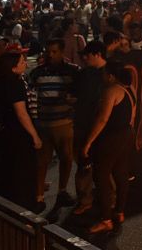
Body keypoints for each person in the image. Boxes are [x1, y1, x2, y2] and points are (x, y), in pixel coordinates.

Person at [82, 61, 136, 234]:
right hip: (126, 134)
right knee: (121, 174)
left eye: (104, 74)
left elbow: (103, 119)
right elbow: (133, 115)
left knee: (101, 176)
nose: (102, 77)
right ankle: (119, 211)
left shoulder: (111, 91)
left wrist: (89, 141)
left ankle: (106, 219)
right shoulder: (130, 90)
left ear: (111, 76)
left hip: (111, 138)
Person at [30, 38, 80, 211]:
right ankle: (39, 196)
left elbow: (80, 95)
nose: (51, 55)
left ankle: (62, 190)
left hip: (64, 123)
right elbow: (31, 95)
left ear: (62, 52)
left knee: (66, 158)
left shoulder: (73, 72)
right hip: (43, 123)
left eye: (54, 52)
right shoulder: (37, 73)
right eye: (48, 52)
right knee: (41, 161)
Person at [0, 49, 41, 210]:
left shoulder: (0, 82)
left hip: (6, 133)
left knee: (9, 172)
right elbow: (21, 113)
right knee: (22, 174)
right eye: (21, 62)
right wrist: (35, 136)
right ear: (12, 67)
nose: (25, 63)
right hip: (19, 135)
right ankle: (25, 208)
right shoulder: (15, 84)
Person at [72, 41, 107, 215]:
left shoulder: (110, 74)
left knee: (104, 164)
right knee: (84, 164)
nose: (85, 58)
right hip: (84, 124)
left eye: (88, 54)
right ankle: (86, 199)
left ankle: (107, 200)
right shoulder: (85, 74)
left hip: (102, 126)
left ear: (98, 54)